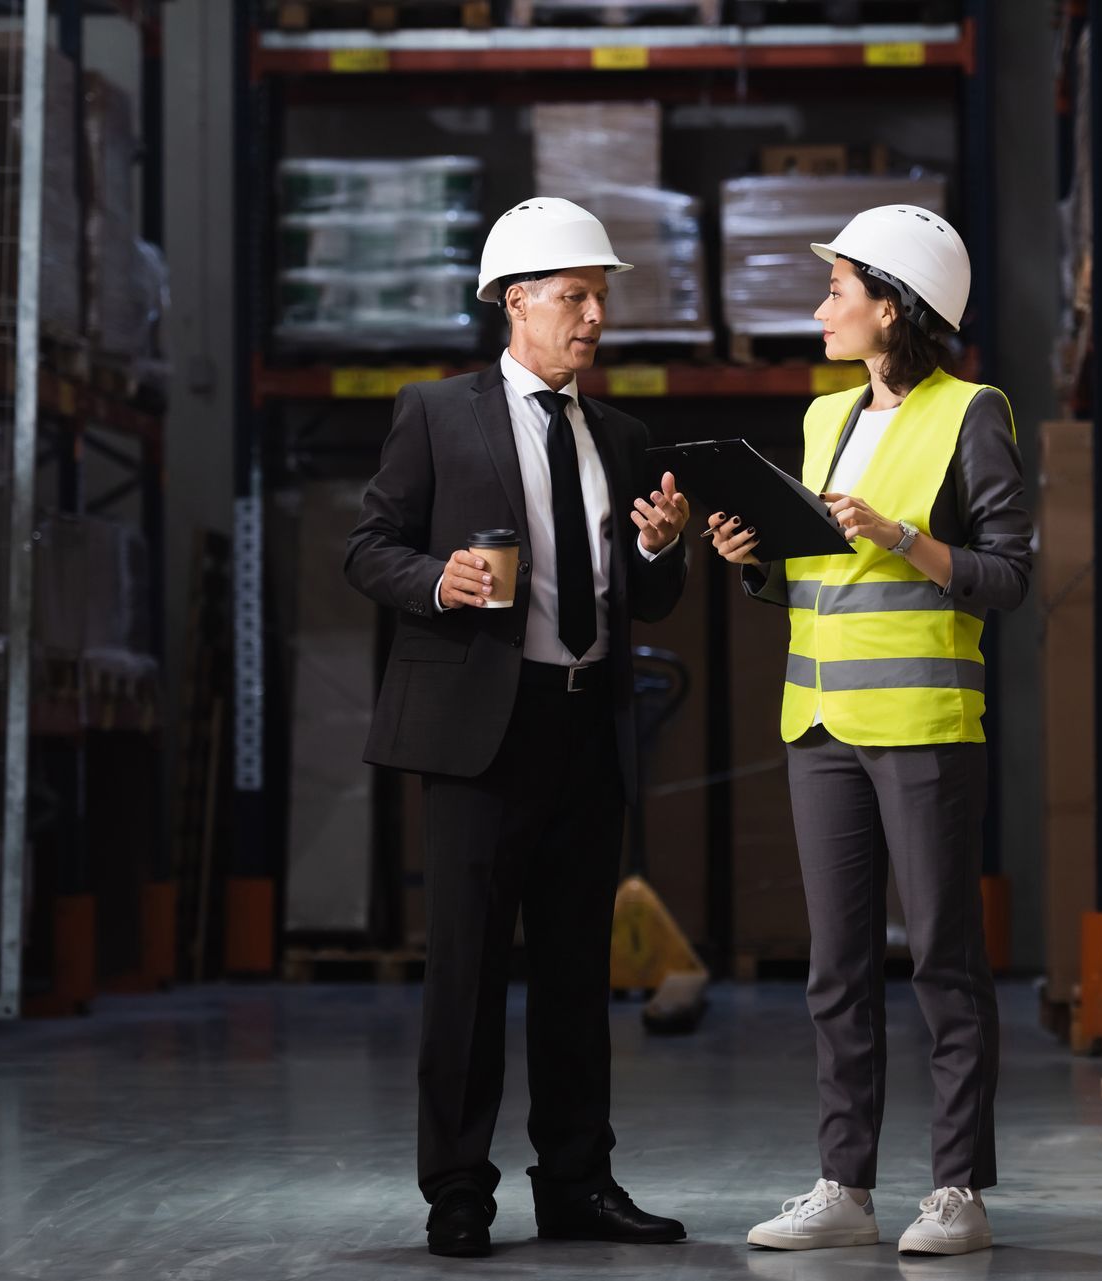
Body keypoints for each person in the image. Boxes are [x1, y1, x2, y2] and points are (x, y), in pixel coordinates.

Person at [344, 196, 693, 1260]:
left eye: (601, 298)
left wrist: (663, 546)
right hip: (482, 735)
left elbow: (658, 598)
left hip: (590, 729)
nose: (594, 317)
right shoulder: (437, 414)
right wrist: (437, 582)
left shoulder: (623, 436)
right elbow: (366, 546)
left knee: (578, 975)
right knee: (466, 973)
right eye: (574, 297)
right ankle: (457, 1192)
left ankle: (578, 1184)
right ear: (513, 302)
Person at [708, 205, 1032, 1257]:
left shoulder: (974, 413)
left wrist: (906, 539)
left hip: (925, 722)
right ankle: (843, 1184)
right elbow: (813, 575)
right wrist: (751, 554)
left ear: (893, 308)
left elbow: (1009, 576)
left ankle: (957, 1192)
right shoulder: (819, 420)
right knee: (837, 966)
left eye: (839, 290)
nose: (822, 308)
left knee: (943, 957)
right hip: (820, 723)